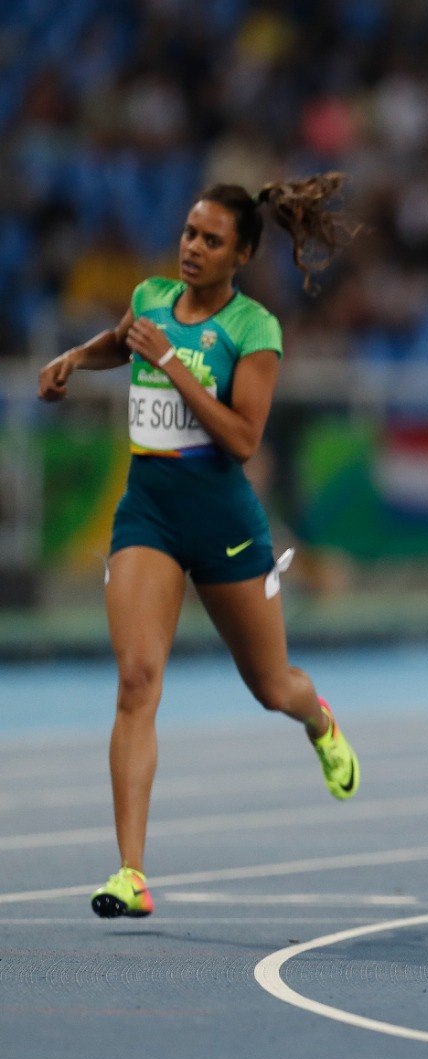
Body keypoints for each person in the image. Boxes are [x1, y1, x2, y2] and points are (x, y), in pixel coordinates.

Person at [36, 176, 361, 920]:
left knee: (272, 687)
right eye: (188, 232)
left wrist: (175, 364)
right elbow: (120, 344)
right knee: (137, 678)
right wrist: (74, 360)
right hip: (147, 512)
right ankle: (131, 872)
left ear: (240, 254)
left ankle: (320, 721)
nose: (192, 248)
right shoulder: (150, 297)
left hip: (225, 524)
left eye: (211, 240)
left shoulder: (255, 330)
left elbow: (245, 439)